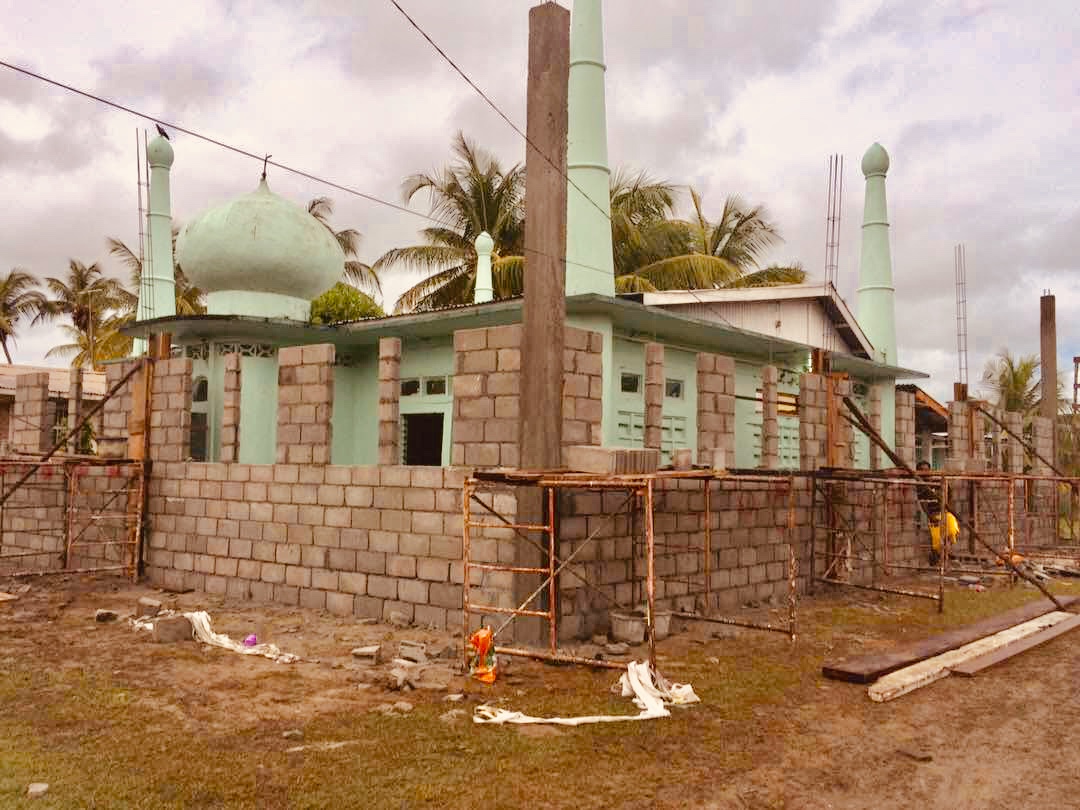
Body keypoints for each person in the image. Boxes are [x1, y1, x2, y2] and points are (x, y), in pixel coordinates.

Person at [915, 461, 959, 565]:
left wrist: (949, 508)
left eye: (927, 469)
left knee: (952, 530)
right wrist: (929, 516)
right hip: (934, 514)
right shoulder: (921, 487)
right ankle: (939, 558)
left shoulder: (939, 481)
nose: (925, 472)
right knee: (936, 540)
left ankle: (946, 553)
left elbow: (950, 495)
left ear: (930, 470)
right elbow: (923, 503)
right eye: (922, 470)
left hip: (945, 512)